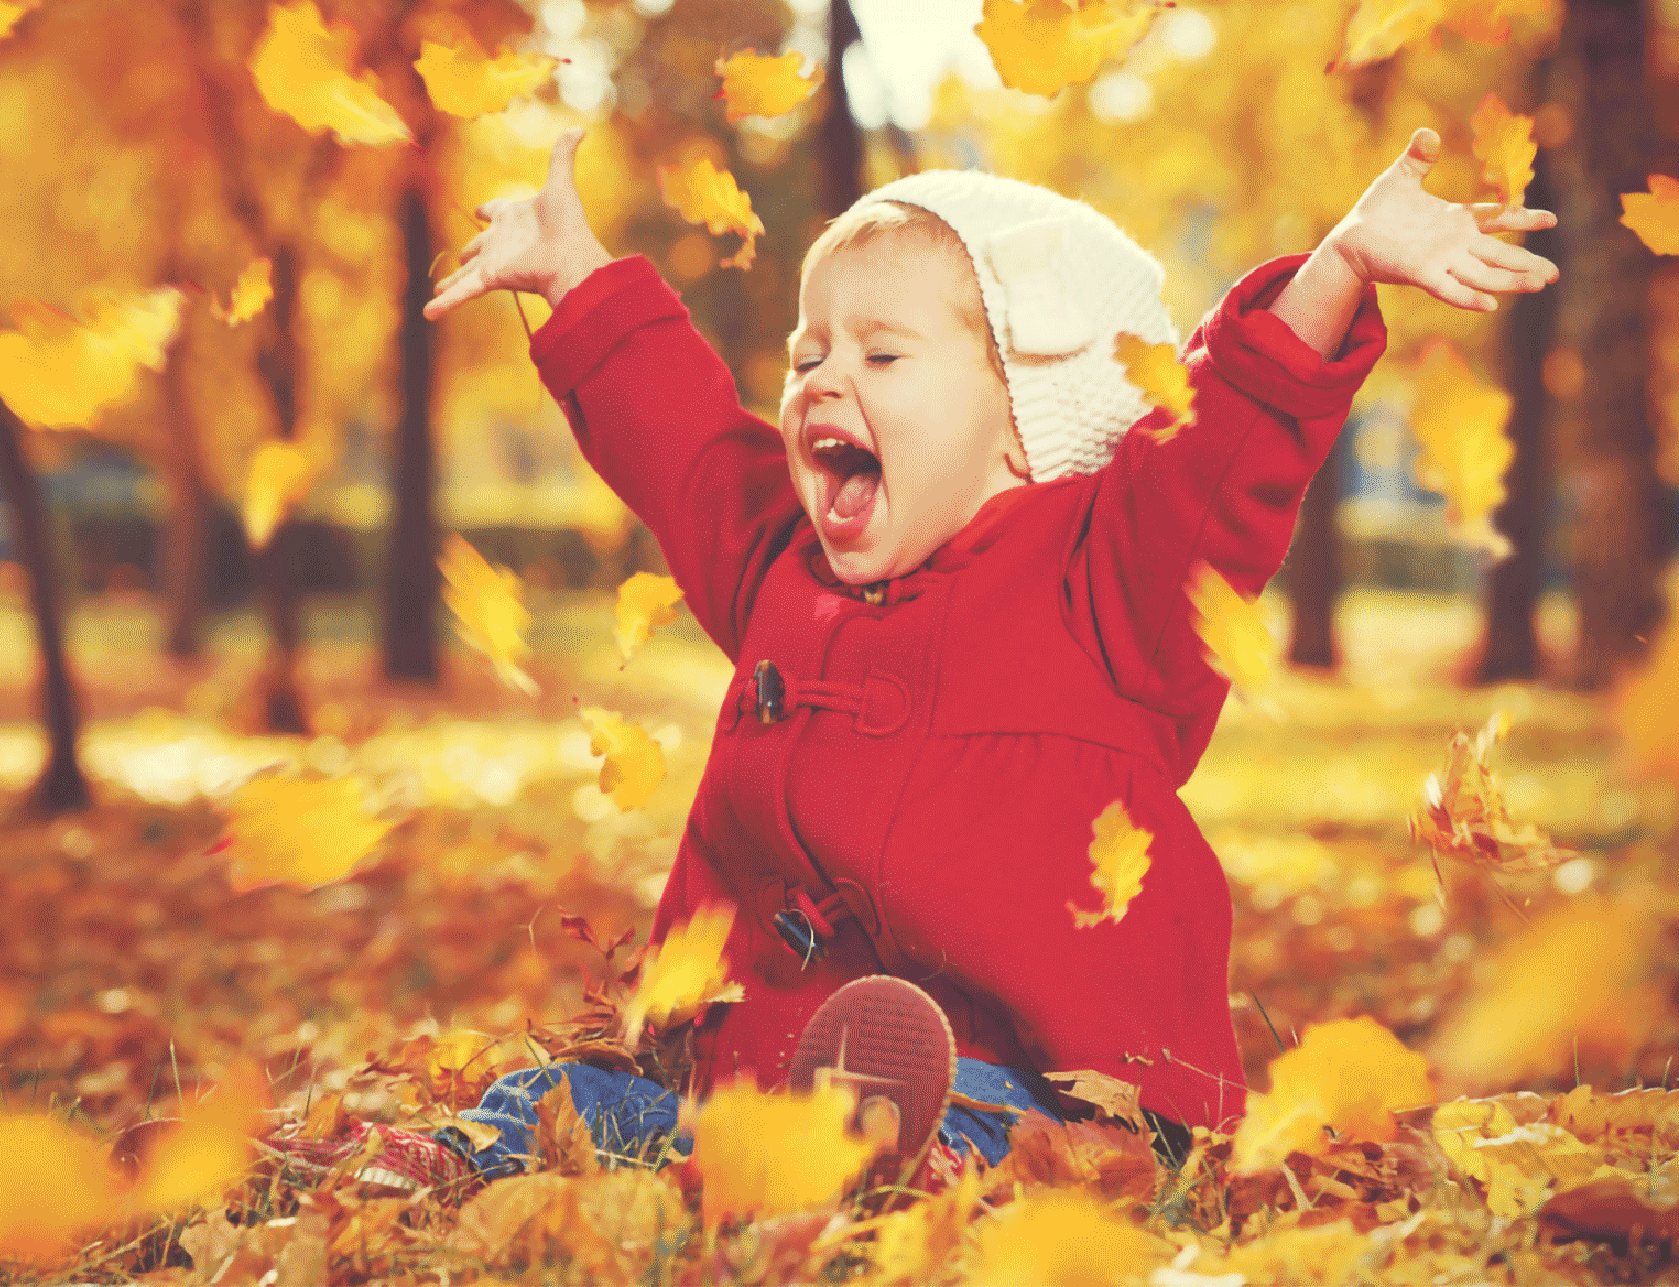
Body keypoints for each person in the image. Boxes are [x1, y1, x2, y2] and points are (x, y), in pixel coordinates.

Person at [317, 126, 1556, 1204]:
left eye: (881, 355)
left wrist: (1335, 267)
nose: (822, 382)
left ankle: (898, 1175)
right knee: (569, 1102)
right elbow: (686, 446)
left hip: (1033, 1091)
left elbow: (1222, 454)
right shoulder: (781, 568)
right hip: (755, 1073)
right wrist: (571, 276)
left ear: (1025, 419)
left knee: (964, 1136)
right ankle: (477, 1151)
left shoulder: (1108, 585)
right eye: (808, 355)